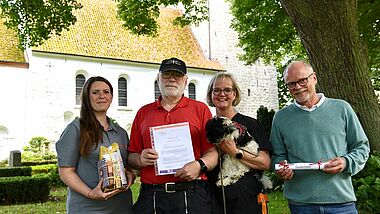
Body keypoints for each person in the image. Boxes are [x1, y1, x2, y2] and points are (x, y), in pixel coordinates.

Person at [271, 61, 370, 214]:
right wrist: (281, 167)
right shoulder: (281, 118)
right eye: (291, 84)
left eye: (302, 80)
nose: (297, 87)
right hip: (301, 204)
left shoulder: (342, 108)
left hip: (341, 201)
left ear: (314, 78)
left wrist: (345, 162)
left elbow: (362, 147)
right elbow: (278, 155)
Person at [128, 57, 218, 213]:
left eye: (177, 75)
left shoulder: (200, 109)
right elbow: (131, 155)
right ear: (158, 79)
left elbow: (212, 152)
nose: (172, 79)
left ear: (185, 80)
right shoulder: (143, 112)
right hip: (152, 196)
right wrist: (139, 159)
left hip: (192, 194)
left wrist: (199, 165)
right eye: (167, 74)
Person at [56, 76, 134, 213]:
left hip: (121, 206)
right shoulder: (75, 129)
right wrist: (91, 193)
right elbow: (66, 172)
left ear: (111, 97)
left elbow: (126, 166)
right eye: (95, 92)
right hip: (88, 208)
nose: (101, 96)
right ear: (87, 97)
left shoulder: (120, 132)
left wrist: (131, 175)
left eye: (106, 92)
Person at [206, 72, 272, 214]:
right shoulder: (207, 127)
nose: (221, 94)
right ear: (211, 94)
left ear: (234, 94)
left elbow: (265, 163)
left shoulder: (251, 124)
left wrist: (235, 152)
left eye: (227, 90)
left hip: (247, 200)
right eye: (216, 90)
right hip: (215, 201)